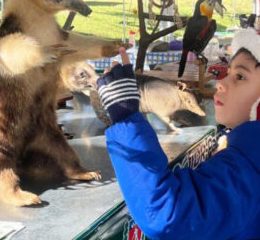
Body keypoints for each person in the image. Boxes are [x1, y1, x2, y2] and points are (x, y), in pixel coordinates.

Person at [97, 28, 260, 240]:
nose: (221, 83)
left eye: (240, 76)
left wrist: (125, 118)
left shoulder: (248, 166)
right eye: (228, 72)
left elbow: (168, 215)